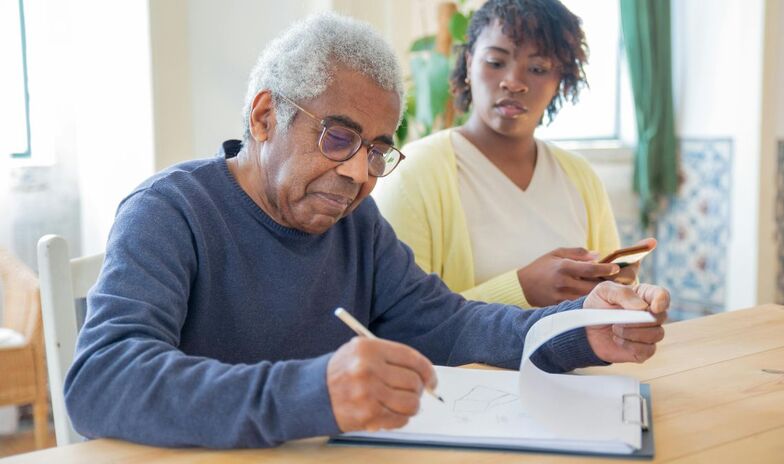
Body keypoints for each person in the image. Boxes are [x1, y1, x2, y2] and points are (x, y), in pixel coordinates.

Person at [64, 12, 669, 449]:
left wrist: (582, 329)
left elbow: (451, 323)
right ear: (265, 116)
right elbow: (102, 380)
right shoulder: (170, 213)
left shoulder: (356, 222)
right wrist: (310, 392)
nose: (358, 173)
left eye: (377, 150)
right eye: (337, 136)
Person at [374, 0, 651, 309]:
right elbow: (400, 319)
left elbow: (604, 303)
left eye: (537, 68)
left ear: (560, 81)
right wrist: (521, 289)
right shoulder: (413, 174)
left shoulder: (580, 176)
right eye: (495, 62)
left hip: (575, 357)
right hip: (459, 362)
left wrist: (619, 289)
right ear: (468, 63)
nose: (514, 82)